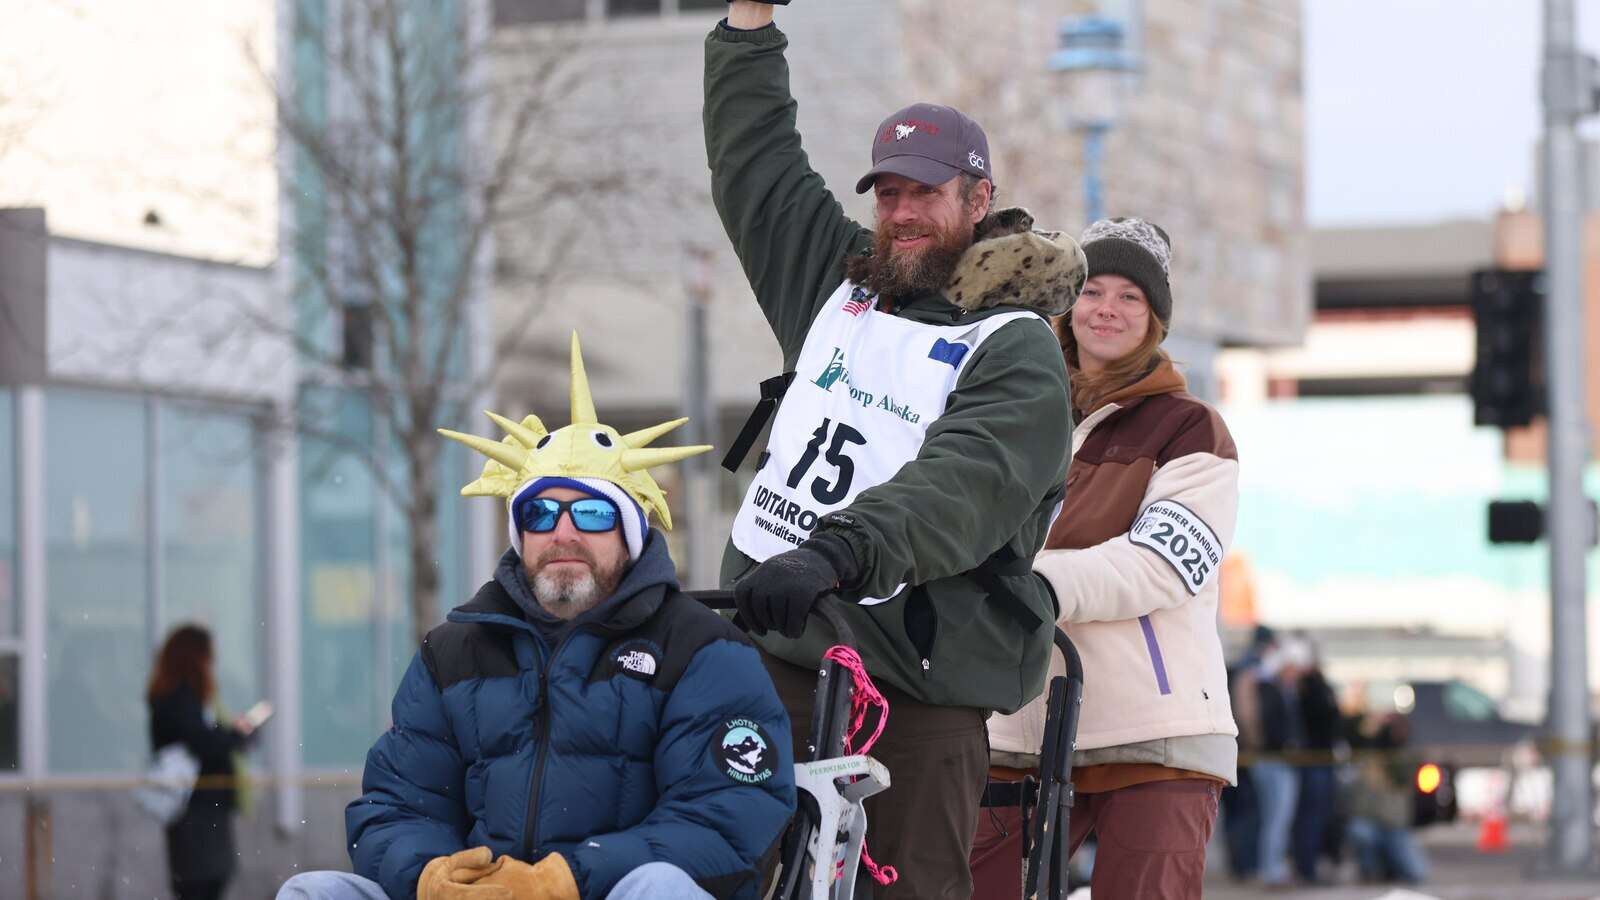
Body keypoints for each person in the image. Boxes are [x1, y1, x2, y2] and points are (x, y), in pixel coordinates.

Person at [706, 5, 1085, 897]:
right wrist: (747, 26)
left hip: (916, 684)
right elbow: (756, 168)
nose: (902, 213)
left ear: (978, 199)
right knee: (714, 867)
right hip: (782, 651)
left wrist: (839, 549)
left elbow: (965, 483)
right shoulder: (843, 287)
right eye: (888, 194)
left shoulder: (1016, 345)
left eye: (925, 193)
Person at [277, 335, 795, 900]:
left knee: (660, 887)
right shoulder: (452, 654)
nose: (563, 532)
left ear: (630, 532)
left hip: (613, 892)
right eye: (541, 512)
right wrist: (428, 875)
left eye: (594, 513)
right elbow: (396, 805)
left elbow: (727, 818)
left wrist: (565, 879)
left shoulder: (703, 653)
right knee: (316, 891)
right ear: (520, 533)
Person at [981, 218, 1241, 900]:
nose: (1108, 309)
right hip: (1012, 722)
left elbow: (1160, 565)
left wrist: (1022, 582)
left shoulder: (1191, 429)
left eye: (1131, 297)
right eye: (1093, 290)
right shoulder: (1008, 415)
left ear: (1155, 320)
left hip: (1155, 730)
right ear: (1066, 305)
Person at [147, 623, 260, 900]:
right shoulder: (180, 696)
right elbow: (201, 742)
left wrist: (231, 734)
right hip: (196, 806)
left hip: (199, 806)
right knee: (202, 883)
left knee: (204, 881)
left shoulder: (178, 695)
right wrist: (236, 735)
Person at [1345, 713, 1429, 884]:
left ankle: (1390, 867)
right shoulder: (1369, 754)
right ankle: (1370, 870)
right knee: (1360, 831)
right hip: (1371, 823)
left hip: (1394, 827)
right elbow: (1349, 735)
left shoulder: (1405, 756)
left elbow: (1403, 774)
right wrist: (1371, 728)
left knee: (1417, 874)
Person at [1291, 638, 1343, 884]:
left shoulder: (1317, 686)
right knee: (1310, 817)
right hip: (1312, 760)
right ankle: (1306, 866)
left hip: (1323, 759)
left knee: (1322, 815)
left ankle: (1313, 864)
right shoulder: (1306, 688)